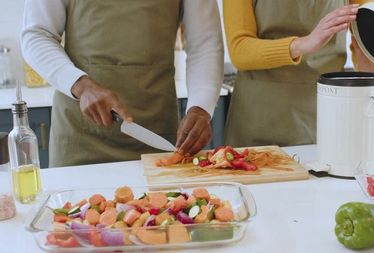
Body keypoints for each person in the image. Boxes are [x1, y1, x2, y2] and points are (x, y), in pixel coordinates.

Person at [21, 0, 224, 167]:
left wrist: (201, 108)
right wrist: (81, 86)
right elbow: (36, 35)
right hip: (80, 139)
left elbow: (205, 44)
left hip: (157, 135)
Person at [223, 0, 374, 147]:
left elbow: (369, 30)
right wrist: (302, 44)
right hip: (261, 115)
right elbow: (239, 49)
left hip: (329, 109)